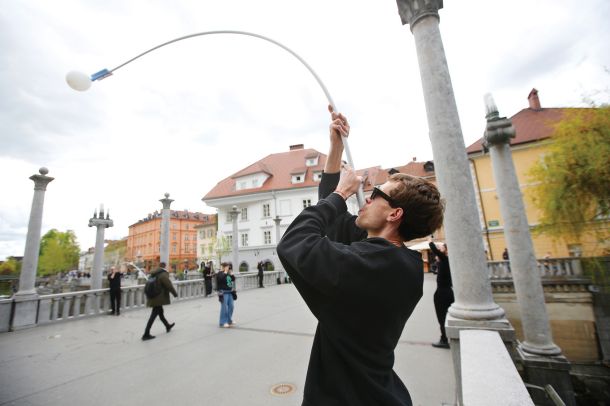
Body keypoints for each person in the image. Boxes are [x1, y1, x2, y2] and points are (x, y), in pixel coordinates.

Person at [277, 107, 445, 406]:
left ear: (394, 213)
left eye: (377, 193)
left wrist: (341, 195)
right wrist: (336, 148)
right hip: (376, 393)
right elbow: (332, 220)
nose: (367, 197)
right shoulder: (397, 262)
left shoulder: (369, 265)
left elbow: (295, 243)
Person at [142, 262, 177, 341]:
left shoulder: (153, 273)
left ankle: (167, 326)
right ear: (165, 266)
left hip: (153, 296)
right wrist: (175, 294)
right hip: (158, 298)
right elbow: (169, 285)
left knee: (160, 313)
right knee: (153, 315)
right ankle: (146, 333)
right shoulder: (163, 274)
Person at [428, 241, 454, 349]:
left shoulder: (445, 259)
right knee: (444, 316)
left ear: (446, 250)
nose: (439, 248)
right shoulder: (445, 261)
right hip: (446, 291)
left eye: (442, 247)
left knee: (442, 317)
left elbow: (433, 248)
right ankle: (446, 337)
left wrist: (430, 240)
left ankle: (444, 340)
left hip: (443, 293)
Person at [217, 262, 236, 328]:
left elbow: (233, 279)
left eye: (229, 267)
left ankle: (229, 320)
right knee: (224, 308)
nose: (228, 268)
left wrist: (232, 274)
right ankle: (222, 322)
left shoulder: (228, 273)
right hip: (223, 292)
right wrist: (225, 272)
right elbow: (220, 280)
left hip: (230, 292)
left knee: (231, 306)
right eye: (227, 266)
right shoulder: (220, 273)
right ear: (224, 267)